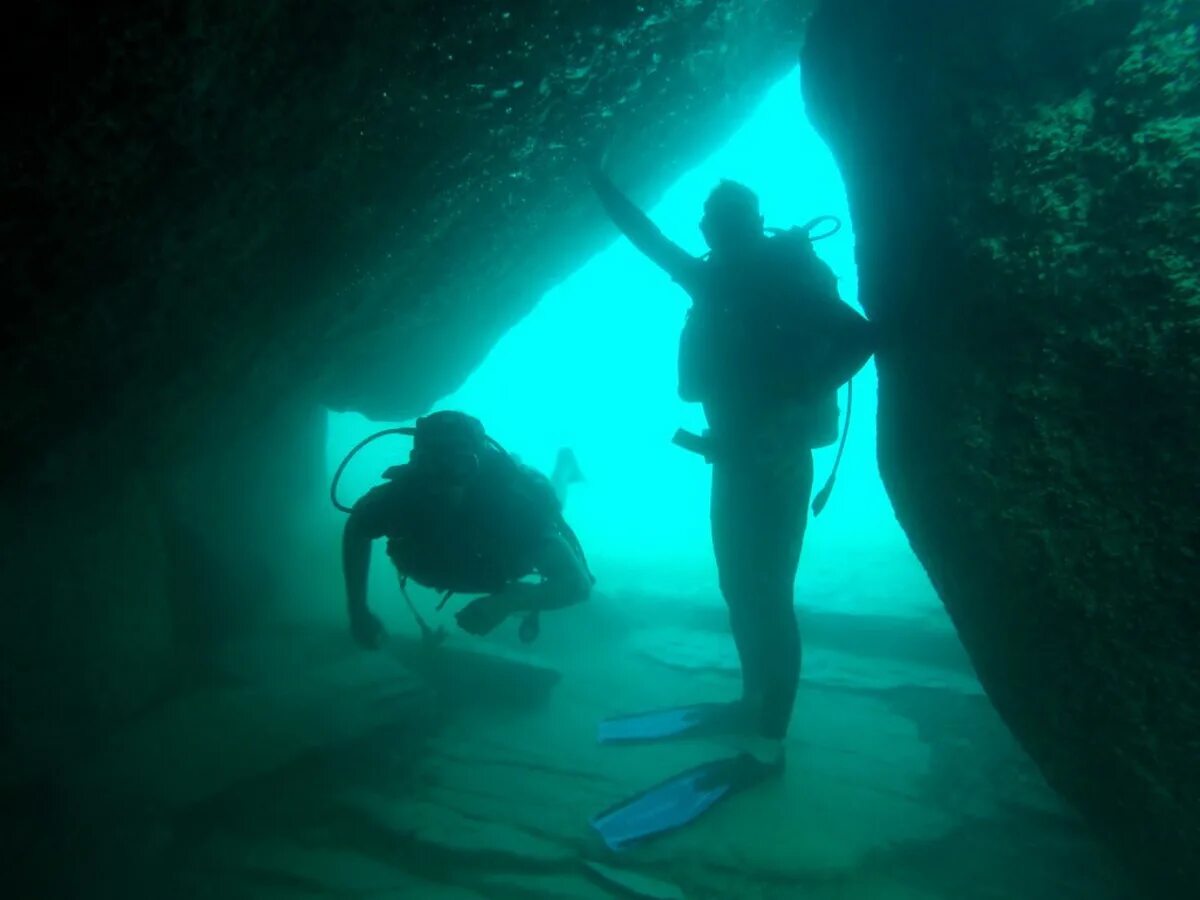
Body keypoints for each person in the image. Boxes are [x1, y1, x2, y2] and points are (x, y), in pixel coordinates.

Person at [586, 164, 875, 849]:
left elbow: (860, 336)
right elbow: (646, 238)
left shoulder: (780, 275)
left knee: (768, 594)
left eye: (730, 223)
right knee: (738, 588)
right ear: (709, 230)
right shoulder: (710, 276)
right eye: (715, 226)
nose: (720, 233)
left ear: (751, 222)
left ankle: (771, 742)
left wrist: (796, 402)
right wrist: (601, 180)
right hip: (734, 456)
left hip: (775, 460)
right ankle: (752, 701)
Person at [341, 410, 593, 649]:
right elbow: (357, 528)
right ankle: (524, 461)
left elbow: (578, 584)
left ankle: (564, 467)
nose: (443, 481)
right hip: (461, 565)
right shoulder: (399, 497)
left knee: (553, 502)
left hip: (502, 562)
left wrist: (507, 603)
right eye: (432, 465)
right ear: (417, 464)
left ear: (479, 467)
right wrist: (358, 609)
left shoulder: (513, 505)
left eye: (460, 466)